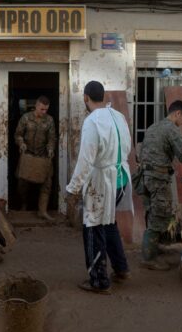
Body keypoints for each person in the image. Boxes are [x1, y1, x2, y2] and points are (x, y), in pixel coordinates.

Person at [66, 81, 133, 294]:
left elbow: (85, 159)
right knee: (109, 222)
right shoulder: (118, 116)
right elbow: (128, 146)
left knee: (93, 228)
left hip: (102, 182)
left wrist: (73, 188)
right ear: (102, 97)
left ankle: (99, 280)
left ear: (86, 97)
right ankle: (121, 269)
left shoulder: (92, 121)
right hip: (120, 179)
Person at [139, 100, 182, 270]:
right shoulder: (171, 129)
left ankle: (154, 247)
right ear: (177, 114)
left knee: (152, 212)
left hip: (145, 177)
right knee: (160, 215)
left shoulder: (153, 127)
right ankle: (148, 258)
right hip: (158, 178)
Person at [14, 95, 56, 221]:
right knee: (22, 183)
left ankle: (42, 211)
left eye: (46, 110)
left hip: (43, 156)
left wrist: (50, 148)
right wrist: (21, 143)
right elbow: (18, 134)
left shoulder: (49, 120)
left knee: (47, 183)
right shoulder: (25, 118)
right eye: (42, 109)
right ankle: (24, 204)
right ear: (36, 106)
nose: (44, 112)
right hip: (28, 155)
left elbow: (52, 138)